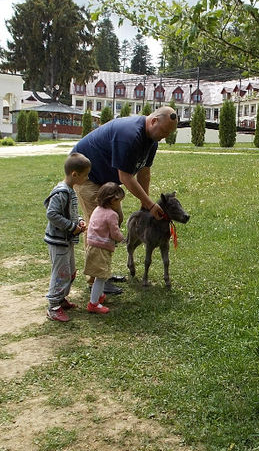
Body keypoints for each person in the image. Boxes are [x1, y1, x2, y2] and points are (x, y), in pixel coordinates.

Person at [72, 106, 179, 294]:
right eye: (163, 131)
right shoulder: (130, 134)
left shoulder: (152, 141)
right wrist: (150, 204)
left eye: (168, 133)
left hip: (106, 183)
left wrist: (144, 206)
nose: (164, 136)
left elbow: (144, 172)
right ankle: (95, 281)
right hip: (86, 176)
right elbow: (126, 177)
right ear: (153, 121)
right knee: (98, 226)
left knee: (115, 219)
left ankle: (102, 272)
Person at [43, 152, 91, 322]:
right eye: (85, 175)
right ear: (75, 174)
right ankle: (53, 306)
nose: (87, 178)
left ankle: (61, 299)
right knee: (61, 273)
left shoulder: (70, 190)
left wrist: (78, 221)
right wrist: (72, 227)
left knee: (70, 272)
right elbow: (52, 214)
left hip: (66, 240)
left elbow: (71, 212)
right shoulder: (62, 192)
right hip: (58, 241)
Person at [84, 183, 126, 314]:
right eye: (119, 201)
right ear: (113, 200)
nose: (119, 204)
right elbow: (115, 233)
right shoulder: (111, 214)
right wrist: (123, 239)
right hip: (101, 249)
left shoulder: (97, 209)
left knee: (99, 274)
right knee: (101, 276)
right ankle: (93, 303)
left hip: (92, 246)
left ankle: (99, 295)